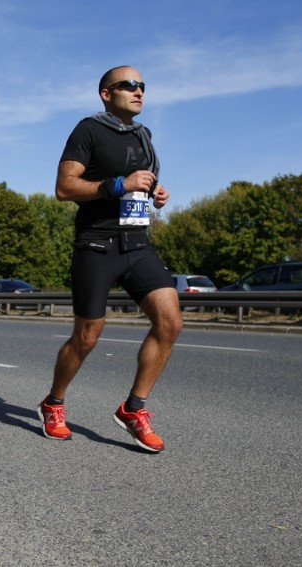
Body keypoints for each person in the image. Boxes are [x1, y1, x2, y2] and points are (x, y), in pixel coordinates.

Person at [38, 66, 183, 453]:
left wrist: (156, 193)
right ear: (106, 93)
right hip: (97, 244)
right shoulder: (88, 130)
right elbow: (63, 188)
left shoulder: (144, 135)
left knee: (170, 322)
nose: (138, 91)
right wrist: (119, 184)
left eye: (142, 86)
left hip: (137, 243)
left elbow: (143, 182)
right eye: (128, 85)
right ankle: (53, 403)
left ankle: (133, 409)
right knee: (87, 337)